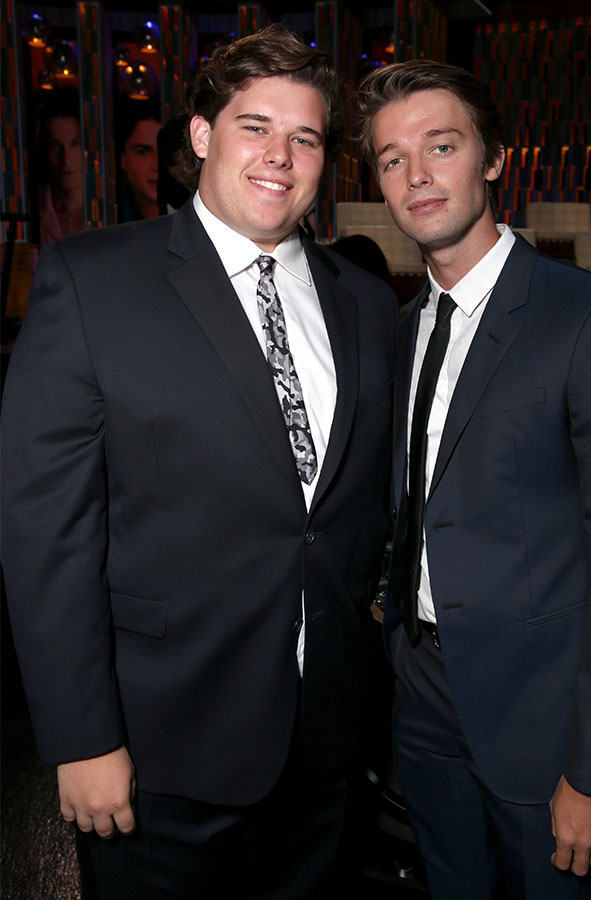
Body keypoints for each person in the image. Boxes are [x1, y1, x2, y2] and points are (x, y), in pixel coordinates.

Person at [1, 25, 396, 900]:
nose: (280, 156)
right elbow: (46, 536)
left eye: (305, 138)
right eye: (255, 126)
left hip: (326, 749)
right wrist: (80, 738)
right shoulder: (91, 282)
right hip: (158, 753)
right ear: (202, 136)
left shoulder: (369, 305)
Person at [355, 59, 591, 899]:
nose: (417, 176)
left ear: (495, 158)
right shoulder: (400, 332)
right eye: (392, 159)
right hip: (421, 695)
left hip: (547, 717)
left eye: (442, 145)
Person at [35, 88, 84, 244]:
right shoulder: (31, 206)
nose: (65, 158)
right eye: (54, 145)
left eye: (76, 144)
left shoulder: (115, 204)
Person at [117, 101, 161, 222]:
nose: (157, 166)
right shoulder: (110, 216)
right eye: (143, 152)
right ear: (122, 158)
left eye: (165, 151)